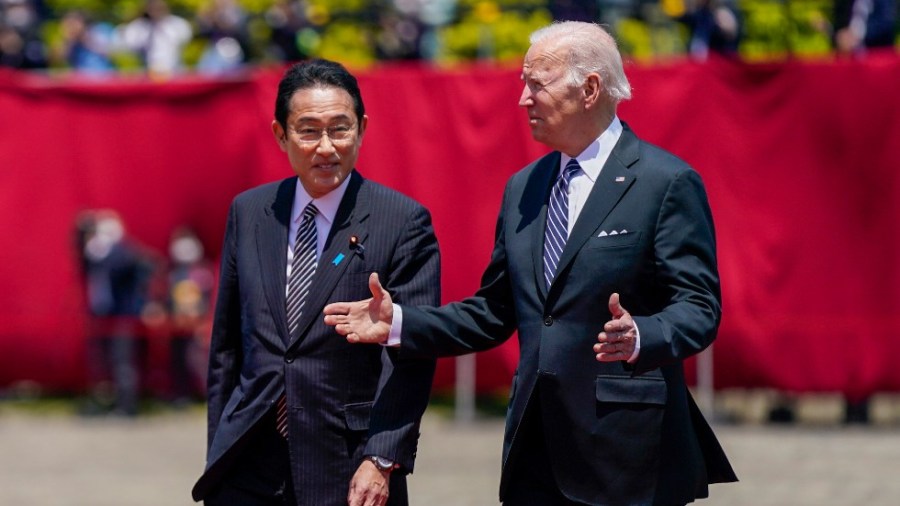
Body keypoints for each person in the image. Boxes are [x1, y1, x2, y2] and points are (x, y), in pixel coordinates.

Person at [325, 21, 737, 505]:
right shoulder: (525, 187)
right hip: (534, 452)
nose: (522, 98)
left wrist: (642, 335)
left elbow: (698, 307)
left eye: (536, 84)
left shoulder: (664, 181)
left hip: (629, 456)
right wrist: (398, 322)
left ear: (589, 89)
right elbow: (494, 312)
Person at [191, 59, 440, 506]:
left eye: (340, 129)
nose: (326, 147)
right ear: (280, 134)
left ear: (362, 128)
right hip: (248, 462)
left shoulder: (401, 221)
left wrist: (382, 458)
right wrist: (219, 453)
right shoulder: (249, 213)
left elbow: (411, 356)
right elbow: (227, 348)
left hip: (347, 465)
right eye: (308, 131)